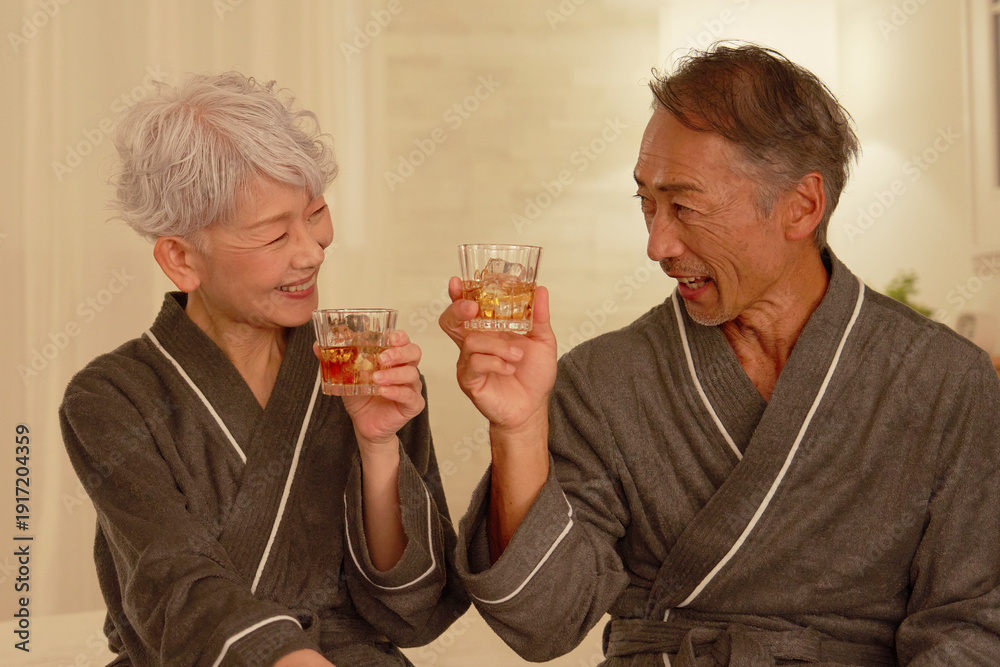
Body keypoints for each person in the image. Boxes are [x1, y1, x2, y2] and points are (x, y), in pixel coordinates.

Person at [440, 43, 1000, 665]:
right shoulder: (604, 379)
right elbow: (543, 623)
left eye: (684, 206)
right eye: (646, 203)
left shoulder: (944, 381)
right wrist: (518, 429)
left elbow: (971, 627)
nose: (657, 244)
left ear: (801, 207)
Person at [60, 72, 467, 667]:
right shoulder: (110, 397)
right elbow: (174, 586)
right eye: (275, 235)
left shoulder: (363, 367)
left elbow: (412, 608)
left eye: (316, 213)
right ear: (181, 258)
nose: (312, 251)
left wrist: (378, 445)